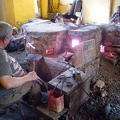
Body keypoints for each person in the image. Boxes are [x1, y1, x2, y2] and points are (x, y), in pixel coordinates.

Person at [0, 21, 42, 119]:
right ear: (5, 39)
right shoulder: (1, 56)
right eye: (10, 37)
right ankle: (34, 110)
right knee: (36, 84)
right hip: (4, 95)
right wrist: (29, 77)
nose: (11, 39)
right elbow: (7, 83)